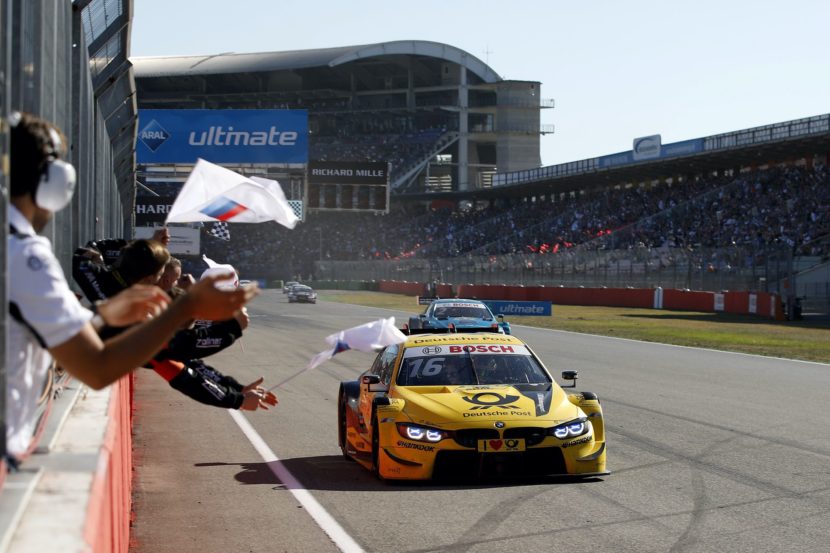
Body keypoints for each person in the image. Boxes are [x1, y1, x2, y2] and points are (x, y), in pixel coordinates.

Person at [6, 112, 259, 461]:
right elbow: (99, 366)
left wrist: (105, 314)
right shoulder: (25, 254)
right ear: (52, 184)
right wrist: (192, 311)